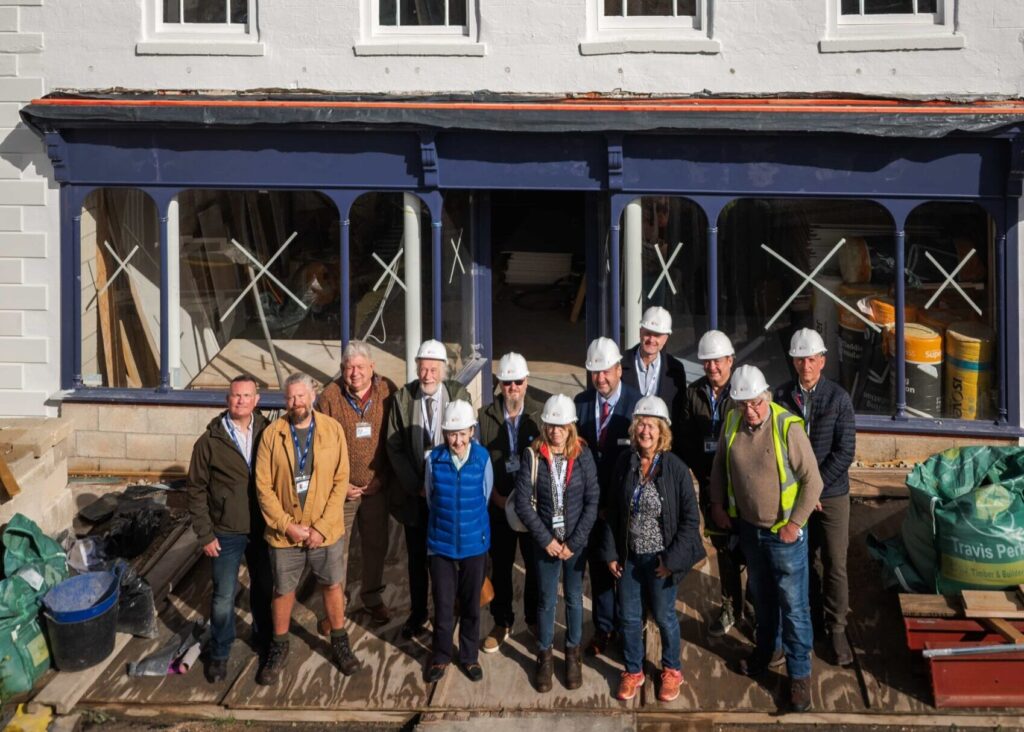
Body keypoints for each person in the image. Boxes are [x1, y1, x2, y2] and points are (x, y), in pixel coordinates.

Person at [709, 365, 823, 712]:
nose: (751, 410)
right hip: (749, 530)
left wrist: (795, 524)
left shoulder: (786, 426)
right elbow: (719, 467)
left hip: (783, 535)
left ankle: (800, 676)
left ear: (767, 396)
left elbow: (812, 482)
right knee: (762, 598)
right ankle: (766, 651)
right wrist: (717, 504)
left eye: (756, 403)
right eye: (744, 404)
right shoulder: (732, 421)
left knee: (794, 606)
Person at [254, 372, 358, 685]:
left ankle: (339, 641)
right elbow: (263, 487)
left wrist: (321, 527)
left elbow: (341, 480)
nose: (296, 403)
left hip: (324, 530)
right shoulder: (273, 435)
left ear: (312, 396)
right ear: (285, 400)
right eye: (290, 397)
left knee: (331, 584)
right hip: (285, 534)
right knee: (283, 590)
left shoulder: (332, 430)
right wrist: (287, 526)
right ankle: (279, 645)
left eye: (301, 396)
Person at [602, 396, 705, 702]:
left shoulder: (675, 469)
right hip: (630, 557)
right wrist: (610, 553)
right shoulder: (625, 462)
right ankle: (633, 670)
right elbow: (612, 511)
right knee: (630, 618)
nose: (646, 430)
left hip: (661, 560)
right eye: (641, 424)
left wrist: (671, 561)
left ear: (663, 431)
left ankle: (672, 670)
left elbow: (690, 520)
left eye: (652, 425)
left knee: (664, 617)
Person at [773, 328, 857, 666]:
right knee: (800, 562)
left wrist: (816, 487)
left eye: (812, 359)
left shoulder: (838, 399)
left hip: (832, 493)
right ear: (793, 361)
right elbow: (777, 447)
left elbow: (845, 450)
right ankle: (805, 625)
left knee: (836, 563)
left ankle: (836, 627)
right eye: (800, 359)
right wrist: (803, 491)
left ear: (822, 361)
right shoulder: (781, 397)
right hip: (795, 495)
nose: (806, 365)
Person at [186, 374, 274, 683]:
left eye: (247, 396)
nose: (240, 401)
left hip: (262, 528)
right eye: (236, 396)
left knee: (264, 589)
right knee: (223, 595)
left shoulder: (269, 432)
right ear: (228, 399)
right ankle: (220, 653)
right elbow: (195, 490)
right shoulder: (209, 441)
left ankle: (265, 640)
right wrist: (205, 534)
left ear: (256, 401)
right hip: (226, 530)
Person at [386, 339, 471, 640]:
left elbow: (468, 441)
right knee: (417, 557)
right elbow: (394, 445)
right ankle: (418, 612)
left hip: (449, 494)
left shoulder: (458, 395)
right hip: (416, 496)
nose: (427, 375)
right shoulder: (403, 398)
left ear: (443, 370)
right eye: (423, 368)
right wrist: (416, 485)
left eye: (433, 369)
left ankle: (449, 610)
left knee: (450, 556)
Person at [514, 394, 599, 693]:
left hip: (575, 544)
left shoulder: (583, 455)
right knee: (547, 600)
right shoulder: (533, 455)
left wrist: (574, 543)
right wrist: (547, 540)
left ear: (570, 426)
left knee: (574, 598)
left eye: (561, 425)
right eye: (550, 425)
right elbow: (524, 504)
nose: (555, 431)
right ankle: (545, 655)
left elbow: (592, 501)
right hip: (546, 544)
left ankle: (572, 654)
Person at [315, 340, 395, 627]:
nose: (355, 373)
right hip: (342, 492)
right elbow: (319, 448)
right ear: (341, 369)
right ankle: (338, 606)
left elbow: (393, 440)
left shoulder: (388, 391)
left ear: (372, 367)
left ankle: (372, 598)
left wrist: (382, 478)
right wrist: (340, 484)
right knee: (338, 550)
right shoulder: (329, 397)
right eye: (349, 368)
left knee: (376, 545)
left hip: (377, 488)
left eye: (361, 367)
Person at [574, 337, 641, 656]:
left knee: (627, 572)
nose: (600, 379)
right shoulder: (581, 404)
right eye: (594, 373)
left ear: (619, 369)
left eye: (605, 372)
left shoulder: (637, 404)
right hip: (593, 505)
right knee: (600, 569)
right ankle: (604, 629)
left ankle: (632, 630)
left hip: (627, 507)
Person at [679, 329, 745, 637]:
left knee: (751, 549)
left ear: (730, 359)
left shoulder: (744, 393)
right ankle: (731, 606)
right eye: (706, 362)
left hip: (744, 488)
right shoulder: (693, 394)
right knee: (724, 548)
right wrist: (706, 475)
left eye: (717, 361)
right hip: (710, 486)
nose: (712, 368)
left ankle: (754, 611)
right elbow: (685, 441)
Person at [422, 400, 492, 683]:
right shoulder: (433, 460)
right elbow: (430, 497)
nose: (457, 440)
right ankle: (440, 656)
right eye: (452, 434)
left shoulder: (483, 458)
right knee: (443, 603)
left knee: (471, 605)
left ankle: (469, 656)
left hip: (474, 544)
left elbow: (485, 496)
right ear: (444, 434)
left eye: (463, 433)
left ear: (472, 431)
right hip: (441, 544)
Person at [478, 352, 541, 652]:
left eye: (518, 382)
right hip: (499, 505)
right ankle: (501, 620)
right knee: (501, 565)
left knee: (533, 566)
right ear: (499, 384)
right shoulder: (484, 417)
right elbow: (480, 462)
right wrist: (494, 496)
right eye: (507, 383)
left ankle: (532, 618)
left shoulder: (539, 417)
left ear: (526, 382)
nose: (513, 388)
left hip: (532, 509)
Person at [620, 306, 687, 438]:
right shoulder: (620, 366)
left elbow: (678, 416)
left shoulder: (676, 371)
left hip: (663, 448)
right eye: (648, 333)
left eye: (657, 335)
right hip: (627, 445)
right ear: (640, 332)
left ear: (666, 338)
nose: (651, 339)